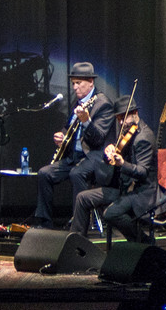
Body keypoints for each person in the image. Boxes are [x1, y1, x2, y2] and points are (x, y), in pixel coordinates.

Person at [33, 62, 116, 233]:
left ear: (91, 83)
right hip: (74, 156)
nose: (75, 87)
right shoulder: (77, 102)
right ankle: (45, 224)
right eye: (73, 84)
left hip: (94, 156)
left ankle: (78, 228)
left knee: (76, 173)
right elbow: (69, 126)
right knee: (44, 173)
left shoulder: (103, 104)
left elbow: (98, 139)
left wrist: (86, 121)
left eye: (79, 83)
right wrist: (62, 136)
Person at [91, 95, 158, 244]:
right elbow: (113, 158)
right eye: (118, 119)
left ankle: (144, 242)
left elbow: (142, 172)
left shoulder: (144, 138)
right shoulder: (128, 132)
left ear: (135, 114)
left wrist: (122, 164)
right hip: (126, 188)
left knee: (111, 214)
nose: (121, 122)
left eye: (124, 118)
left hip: (143, 192)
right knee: (88, 199)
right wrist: (108, 152)